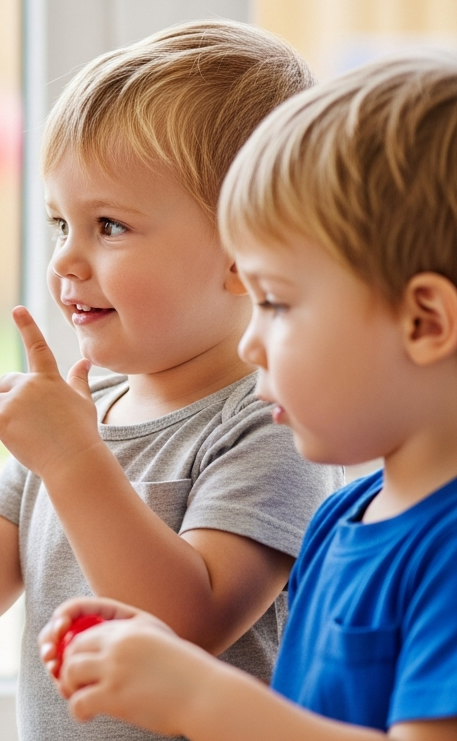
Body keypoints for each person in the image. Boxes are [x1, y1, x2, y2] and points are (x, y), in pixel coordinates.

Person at [0, 20, 343, 741]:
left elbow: (185, 623)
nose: (66, 260)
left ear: (243, 252)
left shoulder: (273, 422)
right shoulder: (82, 413)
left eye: (108, 226)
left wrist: (73, 458)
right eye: (57, 223)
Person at [40, 53, 457, 741]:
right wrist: (165, 663)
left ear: (425, 322)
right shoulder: (341, 521)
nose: (249, 344)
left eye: (277, 303)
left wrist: (201, 697)